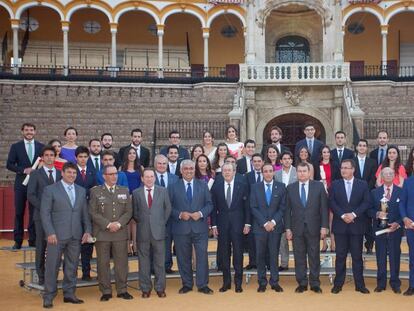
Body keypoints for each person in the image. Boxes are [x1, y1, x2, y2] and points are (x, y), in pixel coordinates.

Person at [40, 162, 92, 308]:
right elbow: (45, 213)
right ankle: (48, 296)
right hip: (55, 236)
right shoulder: (50, 190)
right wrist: (50, 232)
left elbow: (85, 214)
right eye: (69, 172)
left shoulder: (81, 190)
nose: (72, 175)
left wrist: (87, 230)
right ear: (62, 173)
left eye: (74, 173)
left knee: (72, 266)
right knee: (52, 266)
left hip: (75, 235)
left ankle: (69, 294)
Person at [89, 165, 133, 302]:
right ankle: (106, 290)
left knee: (121, 263)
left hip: (120, 233)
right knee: (103, 263)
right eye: (111, 174)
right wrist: (108, 225)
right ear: (104, 176)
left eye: (116, 174)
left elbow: (128, 212)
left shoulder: (124, 190)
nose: (114, 176)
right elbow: (92, 212)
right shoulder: (96, 192)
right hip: (102, 233)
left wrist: (118, 224)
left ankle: (122, 289)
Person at [168, 160, 214, 294]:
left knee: (202, 257)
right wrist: (179, 214)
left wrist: (200, 214)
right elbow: (168, 207)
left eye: (191, 169)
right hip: (181, 228)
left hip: (199, 228)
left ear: (195, 170)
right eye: (186, 169)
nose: (189, 171)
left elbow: (209, 205)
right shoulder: (172, 187)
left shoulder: (203, 185)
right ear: (181, 171)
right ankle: (187, 284)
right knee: (183, 257)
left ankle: (202, 284)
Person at [285, 162, 328, 293]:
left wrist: (324, 227)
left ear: (309, 173)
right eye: (299, 171)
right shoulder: (290, 188)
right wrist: (288, 228)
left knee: (314, 256)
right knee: (299, 256)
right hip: (296, 228)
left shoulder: (319, 186)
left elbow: (324, 209)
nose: (302, 173)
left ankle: (315, 283)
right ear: (296, 173)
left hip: (314, 227)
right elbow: (287, 210)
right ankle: (302, 283)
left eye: (304, 171)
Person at [330, 159, 371, 294]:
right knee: (340, 256)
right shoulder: (335, 184)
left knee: (357, 256)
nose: (343, 170)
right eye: (342, 168)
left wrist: (353, 214)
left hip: (356, 225)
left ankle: (360, 284)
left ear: (353, 169)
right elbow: (332, 202)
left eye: (346, 168)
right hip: (340, 225)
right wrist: (343, 215)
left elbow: (366, 203)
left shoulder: (362, 184)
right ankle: (338, 284)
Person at [211, 163, 250, 293]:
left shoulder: (242, 185)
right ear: (221, 172)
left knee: (238, 254)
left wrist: (247, 223)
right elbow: (213, 207)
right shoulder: (216, 186)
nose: (227, 172)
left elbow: (247, 207)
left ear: (234, 172)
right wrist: (214, 225)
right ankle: (226, 282)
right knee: (224, 254)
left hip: (238, 225)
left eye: (229, 170)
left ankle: (238, 283)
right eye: (225, 170)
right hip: (222, 225)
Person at [132, 168, 172, 298]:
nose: (149, 179)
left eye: (151, 176)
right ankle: (145, 288)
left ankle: (160, 288)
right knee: (143, 263)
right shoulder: (136, 193)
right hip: (143, 232)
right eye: (146, 177)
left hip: (159, 232)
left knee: (159, 262)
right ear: (142, 179)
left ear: (155, 178)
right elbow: (135, 212)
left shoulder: (163, 191)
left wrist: (160, 223)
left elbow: (168, 209)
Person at [27, 146, 62, 285]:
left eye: (51, 155)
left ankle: (53, 275)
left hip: (58, 217)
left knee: (57, 247)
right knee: (41, 246)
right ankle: (41, 277)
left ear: (55, 157)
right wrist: (44, 208)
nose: (49, 157)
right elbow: (31, 195)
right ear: (42, 157)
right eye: (46, 155)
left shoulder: (60, 173)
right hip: (41, 216)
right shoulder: (35, 174)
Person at [250, 163, 286, 293]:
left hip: (275, 228)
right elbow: (253, 207)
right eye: (265, 171)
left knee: (273, 255)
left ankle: (274, 282)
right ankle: (262, 282)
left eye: (270, 171)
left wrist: (273, 222)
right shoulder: (255, 187)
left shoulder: (281, 187)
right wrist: (265, 223)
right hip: (260, 228)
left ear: (273, 172)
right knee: (260, 255)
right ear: (262, 173)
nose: (268, 173)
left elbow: (282, 208)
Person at [7, 123, 44, 249]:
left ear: (35, 132)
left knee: (34, 212)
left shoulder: (41, 147)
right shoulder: (16, 146)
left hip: (36, 185)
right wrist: (23, 170)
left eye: (31, 130)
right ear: (22, 131)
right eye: (27, 130)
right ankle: (18, 240)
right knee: (19, 212)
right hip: (21, 184)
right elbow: (9, 164)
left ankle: (33, 240)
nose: (29, 132)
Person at [369, 167, 403, 294]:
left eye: (390, 173)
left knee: (395, 257)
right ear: (381, 177)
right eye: (385, 174)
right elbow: (369, 210)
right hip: (380, 230)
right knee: (380, 257)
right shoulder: (374, 192)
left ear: (394, 176)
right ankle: (381, 283)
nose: (388, 175)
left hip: (395, 230)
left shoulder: (401, 191)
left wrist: (398, 223)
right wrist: (377, 213)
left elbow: (404, 211)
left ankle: (395, 283)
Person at [74, 146, 97, 282]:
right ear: (76, 158)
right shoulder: (72, 170)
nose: (83, 159)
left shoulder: (91, 172)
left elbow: (94, 190)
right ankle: (71, 274)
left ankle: (86, 273)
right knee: (74, 243)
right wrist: (87, 192)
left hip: (88, 211)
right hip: (75, 211)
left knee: (88, 243)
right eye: (80, 157)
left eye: (85, 157)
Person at [154, 154, 179, 274]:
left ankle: (167, 266)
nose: (162, 166)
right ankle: (156, 267)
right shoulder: (150, 177)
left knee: (169, 241)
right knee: (157, 243)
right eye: (159, 163)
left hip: (173, 216)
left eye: (164, 163)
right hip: (155, 217)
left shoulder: (174, 178)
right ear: (155, 164)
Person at [354, 138, 378, 254]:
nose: (362, 147)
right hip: (355, 196)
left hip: (368, 195)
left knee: (368, 221)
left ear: (367, 148)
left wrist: (365, 191)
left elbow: (373, 178)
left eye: (364, 145)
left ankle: (369, 245)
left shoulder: (373, 162)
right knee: (356, 221)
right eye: (360, 145)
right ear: (357, 147)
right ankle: (356, 246)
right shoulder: (351, 161)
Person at [314, 145, 340, 252]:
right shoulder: (317, 165)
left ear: (330, 154)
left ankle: (333, 244)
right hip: (321, 194)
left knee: (332, 220)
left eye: (327, 152)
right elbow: (314, 180)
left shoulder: (334, 165)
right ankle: (324, 244)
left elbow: (338, 179)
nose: (326, 154)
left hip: (332, 193)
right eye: (324, 152)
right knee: (323, 220)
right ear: (321, 154)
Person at [275, 151, 297, 271]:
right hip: (282, 209)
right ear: (281, 161)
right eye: (284, 158)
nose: (287, 160)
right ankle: (284, 263)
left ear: (292, 160)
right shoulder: (276, 174)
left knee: (297, 239)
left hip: (296, 209)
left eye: (289, 158)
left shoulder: (298, 172)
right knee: (283, 238)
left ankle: (300, 263)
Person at [120, 146, 143, 256]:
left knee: (135, 222)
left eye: (134, 153)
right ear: (126, 155)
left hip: (137, 197)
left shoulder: (140, 168)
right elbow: (119, 183)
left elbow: (142, 183)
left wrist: (135, 194)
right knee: (127, 222)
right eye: (130, 153)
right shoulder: (121, 168)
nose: (132, 155)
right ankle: (128, 247)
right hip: (125, 198)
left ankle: (135, 245)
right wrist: (127, 195)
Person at [244, 153, 265, 270]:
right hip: (251, 211)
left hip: (265, 212)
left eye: (259, 161)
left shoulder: (268, 174)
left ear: (262, 162)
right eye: (254, 161)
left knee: (265, 239)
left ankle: (265, 262)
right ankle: (253, 262)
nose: (257, 163)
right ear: (252, 163)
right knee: (251, 239)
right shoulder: (247, 176)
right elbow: (246, 195)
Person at [399, 173, 414, 296]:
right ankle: (412, 285)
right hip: (411, 226)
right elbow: (402, 202)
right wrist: (404, 218)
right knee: (413, 257)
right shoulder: (408, 182)